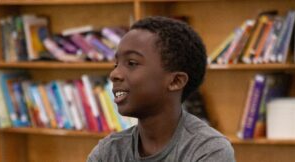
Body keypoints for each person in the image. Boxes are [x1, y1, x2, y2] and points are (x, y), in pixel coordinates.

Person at [87, 16, 235, 162]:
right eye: (116, 64)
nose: (114, 74)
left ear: (176, 81)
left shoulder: (209, 149)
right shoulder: (109, 151)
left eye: (131, 63)